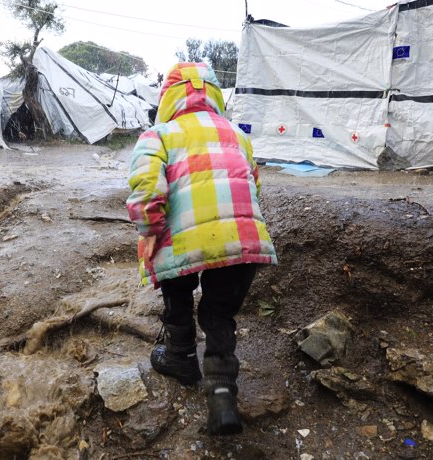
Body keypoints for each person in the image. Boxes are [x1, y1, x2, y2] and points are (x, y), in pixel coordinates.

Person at [126, 62, 277, 436]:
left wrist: (149, 230)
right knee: (218, 313)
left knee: (176, 281)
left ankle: (180, 356)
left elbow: (147, 187)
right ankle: (223, 396)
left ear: (168, 98)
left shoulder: (158, 135)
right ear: (214, 96)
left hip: (186, 240)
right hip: (241, 240)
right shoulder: (237, 135)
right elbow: (253, 185)